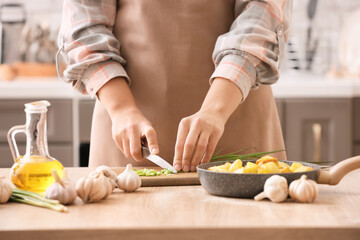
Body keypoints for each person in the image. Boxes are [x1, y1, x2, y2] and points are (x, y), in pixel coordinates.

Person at [57, 0, 292, 172]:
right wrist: (121, 109)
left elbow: (263, 14)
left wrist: (216, 110)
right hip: (127, 131)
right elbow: (85, 26)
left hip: (237, 119)